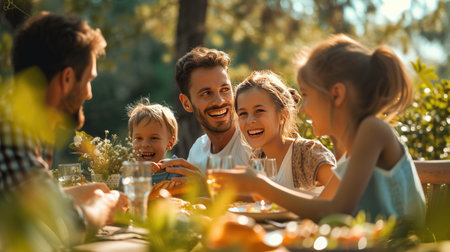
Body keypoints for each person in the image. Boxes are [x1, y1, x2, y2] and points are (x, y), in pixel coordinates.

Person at [210, 34, 426, 226]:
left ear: (336, 95)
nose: (302, 108)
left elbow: (336, 211)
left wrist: (261, 185)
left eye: (307, 94)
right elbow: (322, 204)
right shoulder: (352, 148)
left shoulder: (372, 130)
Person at [0, 12, 127, 248]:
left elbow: (26, 202)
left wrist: (76, 193)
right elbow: (70, 225)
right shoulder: (9, 129)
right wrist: (104, 203)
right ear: (67, 78)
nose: (89, 93)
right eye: (88, 79)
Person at [159, 47, 251, 183]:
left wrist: (205, 187)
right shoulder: (197, 151)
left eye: (225, 89)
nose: (220, 101)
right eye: (206, 93)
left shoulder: (254, 141)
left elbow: (268, 200)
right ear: (186, 103)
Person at [235, 70, 336, 192]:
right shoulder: (257, 157)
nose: (250, 120)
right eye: (243, 114)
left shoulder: (309, 154)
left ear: (283, 115)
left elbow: (344, 196)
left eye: (259, 111)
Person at [126, 97, 183, 187]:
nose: (145, 145)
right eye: (138, 138)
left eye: (154, 138)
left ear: (170, 143)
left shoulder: (179, 172)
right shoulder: (128, 175)